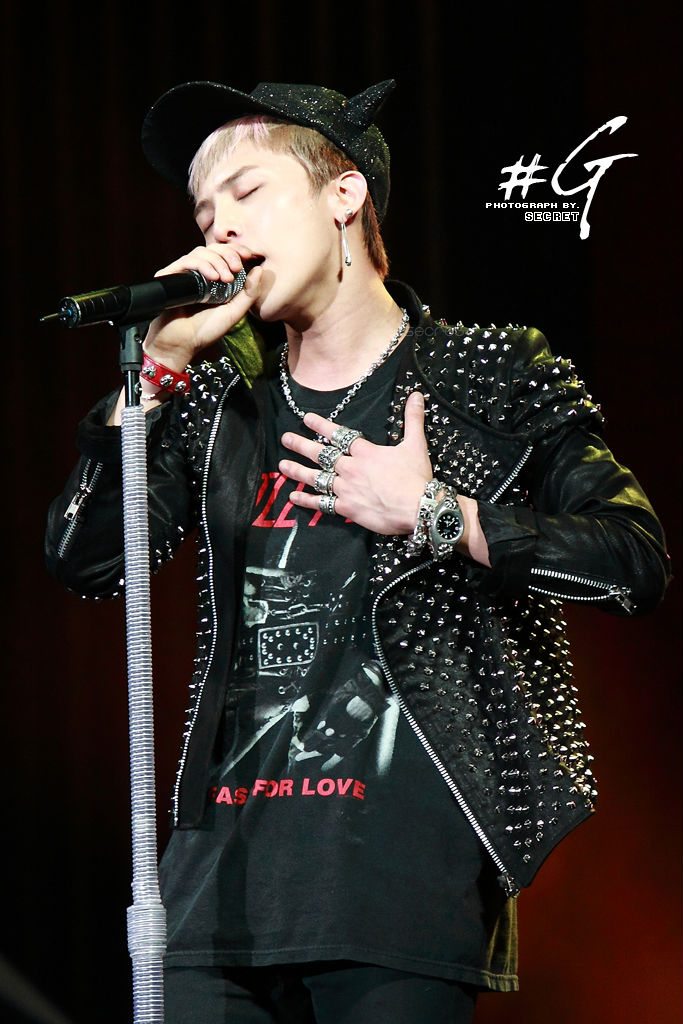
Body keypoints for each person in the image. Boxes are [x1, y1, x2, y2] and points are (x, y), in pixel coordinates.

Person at [45, 78, 670, 1024]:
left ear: (344, 194)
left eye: (246, 193)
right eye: (203, 213)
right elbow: (86, 560)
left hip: (401, 885)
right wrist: (159, 372)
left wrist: (434, 512)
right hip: (217, 888)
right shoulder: (219, 401)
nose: (218, 227)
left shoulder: (486, 370)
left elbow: (632, 562)